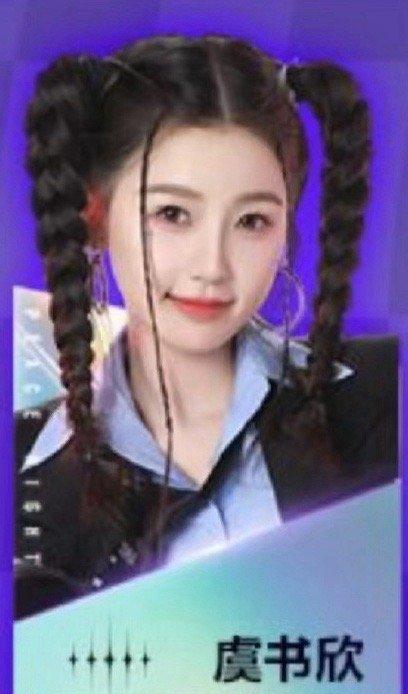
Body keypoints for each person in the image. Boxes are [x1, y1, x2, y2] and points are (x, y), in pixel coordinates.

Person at [14, 32, 399, 619]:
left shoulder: (384, 394)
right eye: (172, 214)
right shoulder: (24, 470)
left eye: (252, 221)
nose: (213, 267)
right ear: (96, 217)